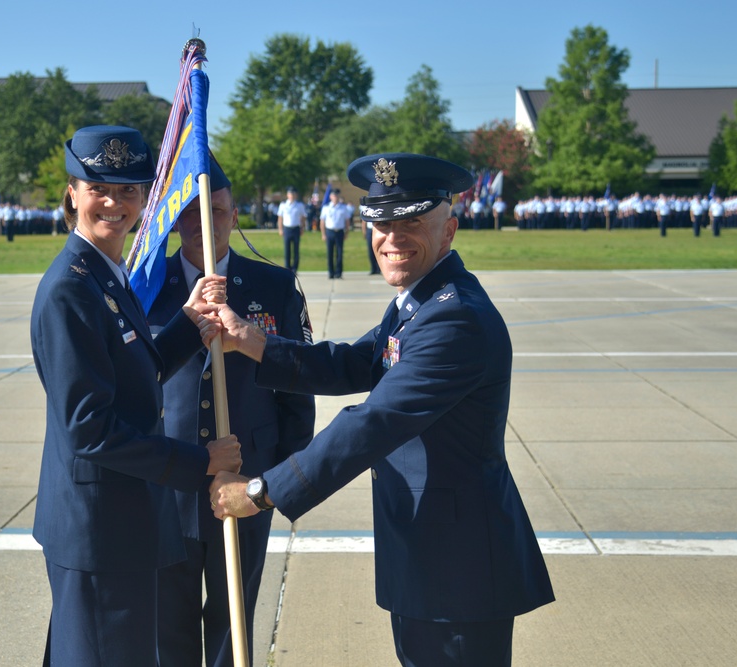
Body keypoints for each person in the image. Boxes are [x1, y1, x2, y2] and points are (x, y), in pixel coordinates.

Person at [207, 152, 555, 667]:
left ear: (450, 230)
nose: (391, 238)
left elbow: (373, 423)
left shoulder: (453, 319)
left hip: (455, 566)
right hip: (428, 553)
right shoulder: (421, 301)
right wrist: (255, 342)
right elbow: (355, 362)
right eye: (381, 223)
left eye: (411, 222)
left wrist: (260, 492)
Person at [30, 125, 241, 666]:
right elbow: (90, 428)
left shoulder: (105, 273)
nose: (114, 203)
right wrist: (199, 463)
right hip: (100, 528)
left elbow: (132, 374)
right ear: (71, 192)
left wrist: (189, 321)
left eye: (128, 190)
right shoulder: (69, 290)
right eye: (98, 187)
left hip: (119, 522)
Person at [148, 158, 315, 667]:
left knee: (233, 624)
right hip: (165, 483)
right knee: (166, 626)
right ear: (176, 219)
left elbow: (297, 392)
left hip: (245, 483)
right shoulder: (145, 288)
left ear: (235, 215)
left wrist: (277, 478)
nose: (205, 222)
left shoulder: (274, 286)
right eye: (193, 212)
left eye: (217, 211)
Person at [320, 189, 350, 278]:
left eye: (337, 196)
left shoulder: (343, 208)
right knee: (330, 253)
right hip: (329, 232)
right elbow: (322, 222)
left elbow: (347, 221)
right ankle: (331, 272)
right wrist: (323, 234)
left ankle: (339, 273)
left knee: (339, 253)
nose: (335, 197)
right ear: (330, 197)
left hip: (339, 232)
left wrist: (346, 232)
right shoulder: (326, 208)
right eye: (333, 196)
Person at [276, 186, 306, 272]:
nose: (292, 195)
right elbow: (280, 218)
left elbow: (303, 217)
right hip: (287, 228)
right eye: (290, 194)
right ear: (287, 195)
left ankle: (295, 268)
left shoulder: (299, 205)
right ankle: (287, 268)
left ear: (296, 195)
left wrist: (302, 228)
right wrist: (280, 229)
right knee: (287, 250)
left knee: (296, 250)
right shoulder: (283, 205)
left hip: (296, 228)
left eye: (293, 194)